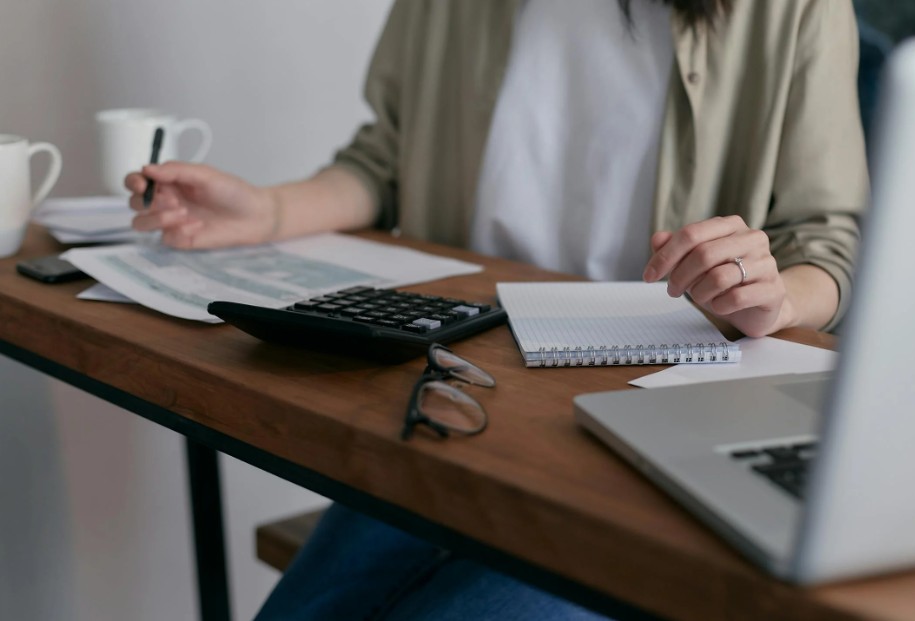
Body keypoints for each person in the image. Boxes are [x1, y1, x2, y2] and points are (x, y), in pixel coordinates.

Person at [126, 0, 868, 618]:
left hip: (659, 415)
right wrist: (266, 209)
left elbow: (829, 241)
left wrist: (772, 295)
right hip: (460, 394)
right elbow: (385, 160)